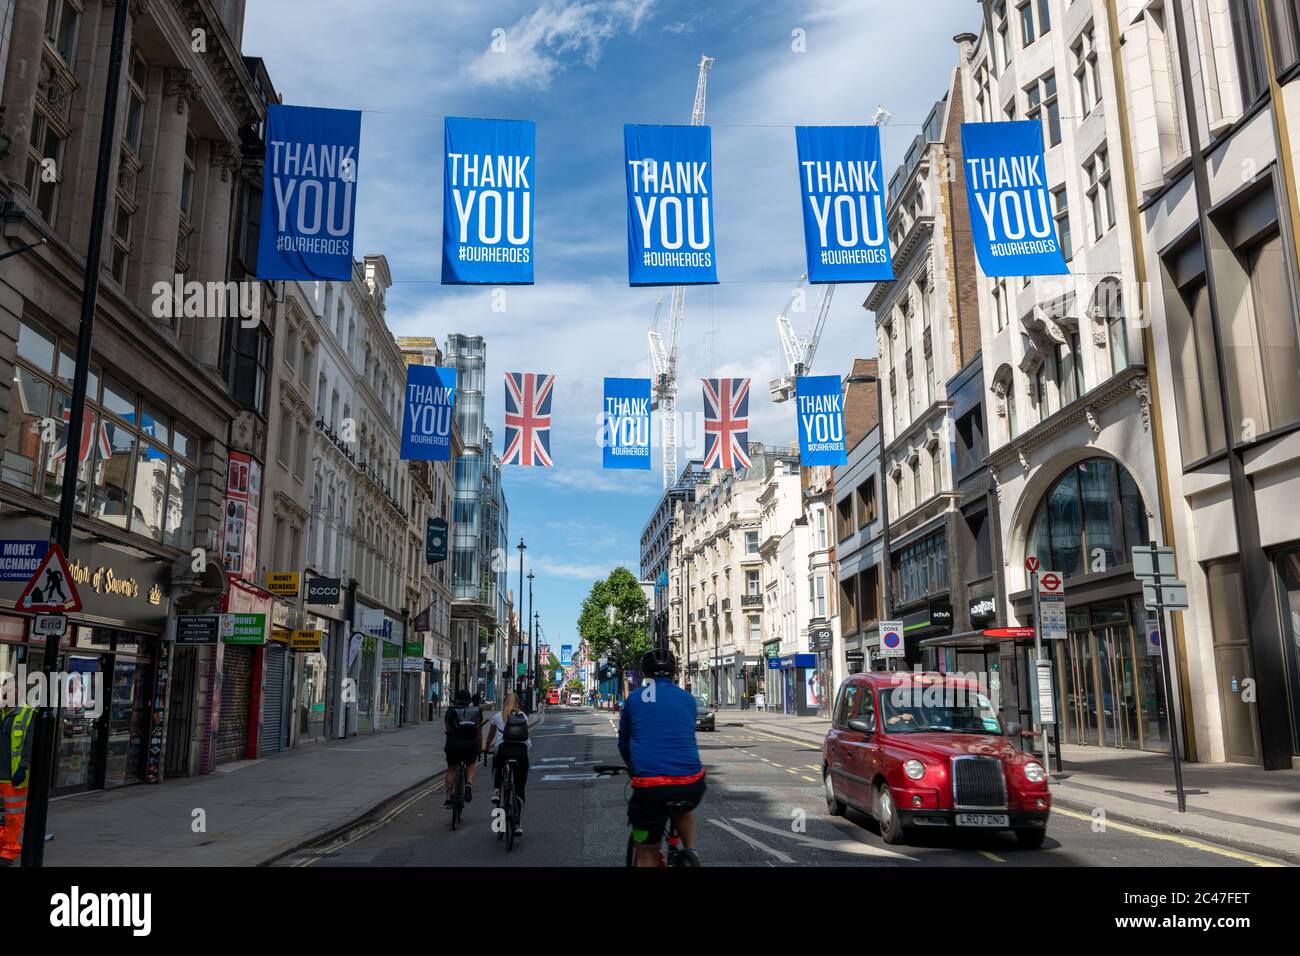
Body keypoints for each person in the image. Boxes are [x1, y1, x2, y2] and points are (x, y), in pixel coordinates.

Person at [617, 649, 705, 867]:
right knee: (684, 808)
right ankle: (692, 854)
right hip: (692, 784)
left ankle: (651, 855)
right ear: (673, 672)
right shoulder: (688, 699)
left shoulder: (635, 699)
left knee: (647, 853)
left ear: (645, 672)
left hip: (651, 788)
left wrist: (632, 766)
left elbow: (623, 742)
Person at [484, 691, 531, 837]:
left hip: (503, 750)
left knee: (497, 765)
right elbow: (526, 737)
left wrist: (486, 747)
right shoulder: (523, 716)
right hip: (521, 752)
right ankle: (517, 825)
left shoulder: (497, 716)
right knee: (519, 788)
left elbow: (491, 736)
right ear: (518, 702)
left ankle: (497, 791)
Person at [0, 674, 34, 866]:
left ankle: (9, 851)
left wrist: (23, 767)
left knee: (13, 817)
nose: (8, 693)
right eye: (6, 689)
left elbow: (28, 745)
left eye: (12, 690)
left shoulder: (27, 714)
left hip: (13, 776)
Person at [443, 688, 483, 807]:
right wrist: (480, 747)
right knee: (470, 764)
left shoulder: (450, 712)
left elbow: (447, 730)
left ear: (457, 699)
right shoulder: (476, 712)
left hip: (454, 743)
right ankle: (469, 784)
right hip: (470, 743)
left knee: (451, 769)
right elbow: (479, 733)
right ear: (469, 700)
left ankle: (448, 797)